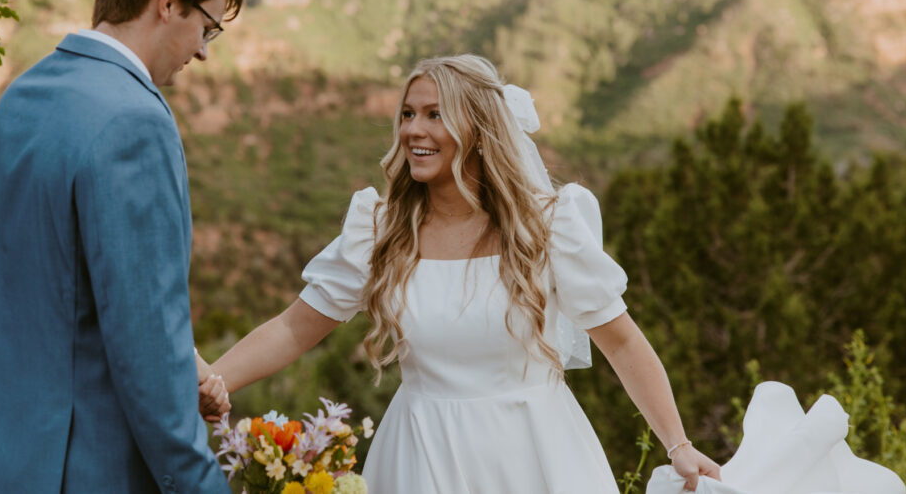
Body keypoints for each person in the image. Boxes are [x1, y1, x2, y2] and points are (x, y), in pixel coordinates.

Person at [202, 54, 721, 493]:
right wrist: (209, 382)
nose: (413, 130)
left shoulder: (548, 225)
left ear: (478, 131)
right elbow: (293, 328)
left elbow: (623, 343)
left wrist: (678, 445)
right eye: (407, 114)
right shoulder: (380, 229)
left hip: (534, 456)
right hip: (418, 458)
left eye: (434, 114)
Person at [0, 0, 242, 494]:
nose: (202, 51)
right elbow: (144, 337)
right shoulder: (135, 121)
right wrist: (201, 483)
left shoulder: (20, 97)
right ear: (169, 3)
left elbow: (58, 292)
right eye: (207, 27)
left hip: (8, 463)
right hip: (93, 469)